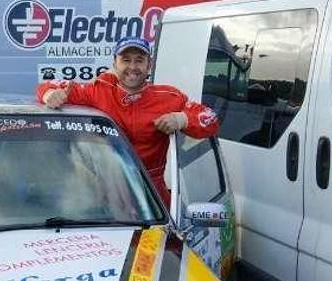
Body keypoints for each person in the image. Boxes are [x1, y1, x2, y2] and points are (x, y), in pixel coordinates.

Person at [36, 36, 219, 206]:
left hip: (151, 194)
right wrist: (50, 94)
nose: (132, 67)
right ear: (114, 64)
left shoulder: (168, 97)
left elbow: (210, 119)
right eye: (125, 60)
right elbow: (50, 86)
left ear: (149, 66)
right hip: (105, 194)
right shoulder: (99, 90)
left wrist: (182, 119)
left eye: (139, 60)